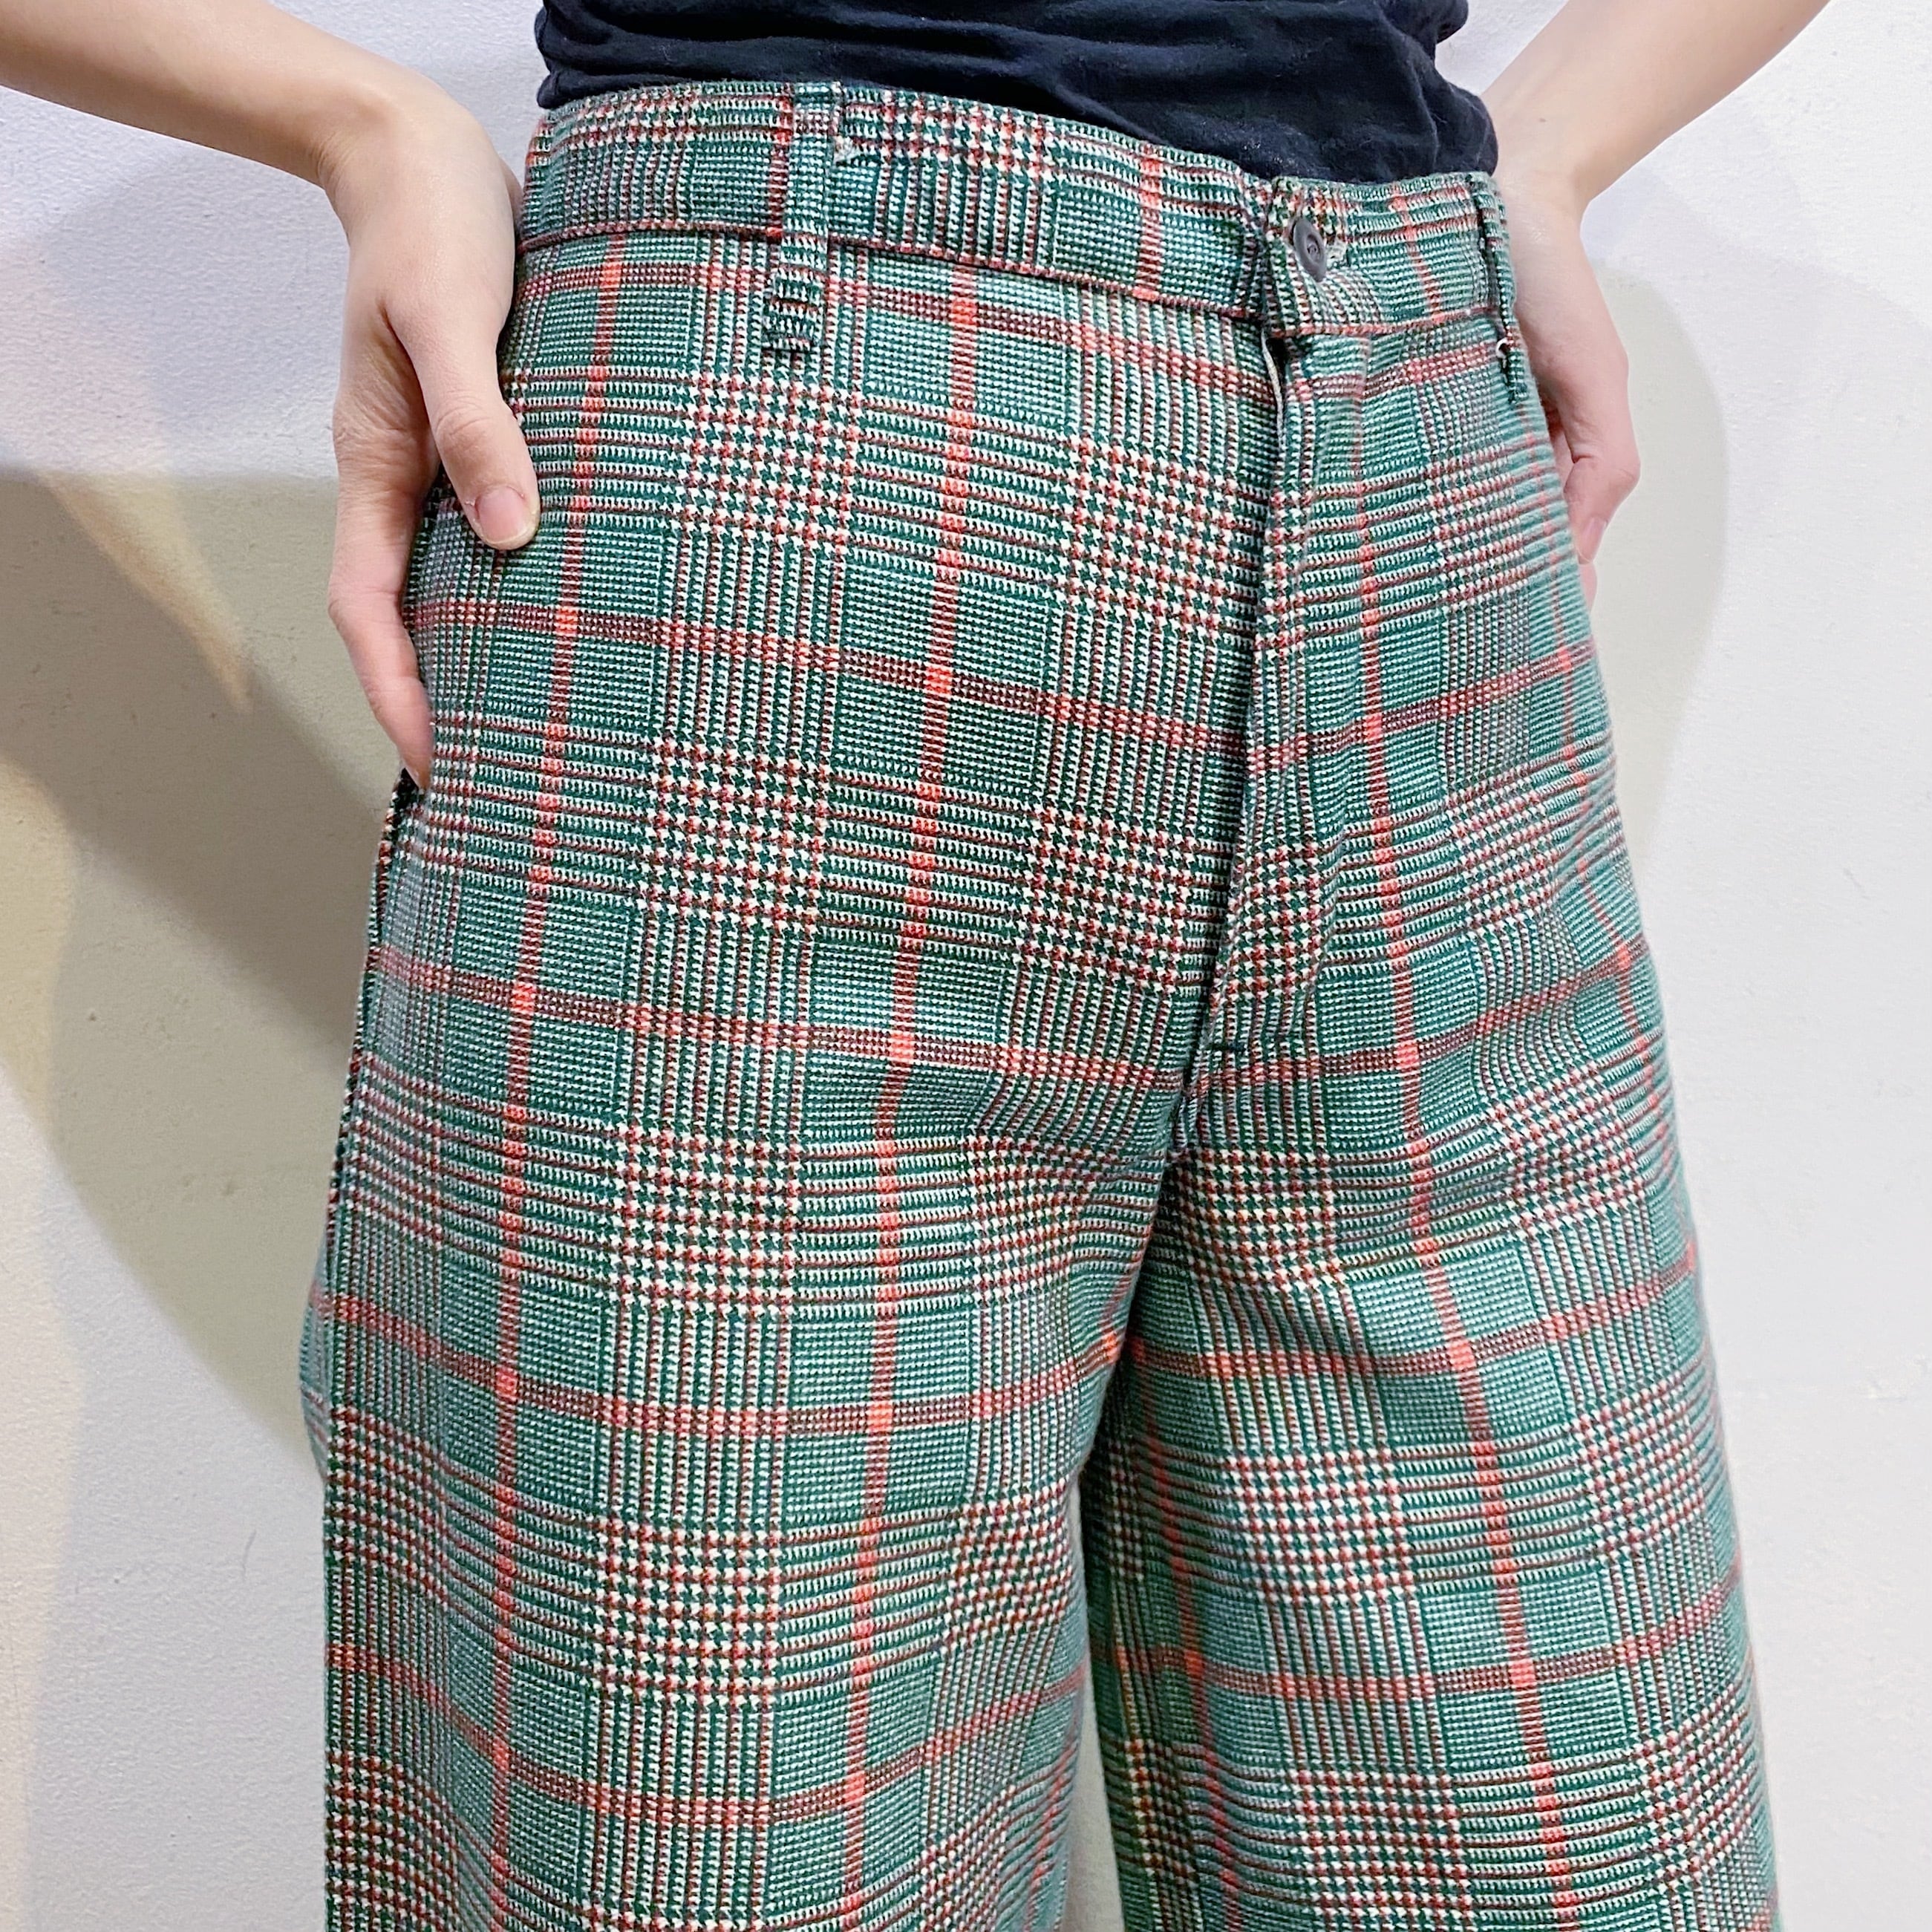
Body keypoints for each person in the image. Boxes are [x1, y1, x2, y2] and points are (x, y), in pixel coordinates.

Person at [1, 1, 1825, 1925]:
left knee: (1567, 1832)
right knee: (719, 1836)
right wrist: (354, 119)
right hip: (769, 518)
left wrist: (1543, 150)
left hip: (1423, 510)